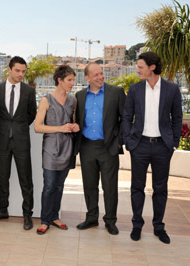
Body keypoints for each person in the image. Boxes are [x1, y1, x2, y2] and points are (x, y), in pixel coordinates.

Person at [123, 52, 182, 244]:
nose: (137, 70)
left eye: (140, 67)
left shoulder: (172, 89)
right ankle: (136, 225)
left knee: (160, 188)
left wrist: (173, 143)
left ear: (152, 67)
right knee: (137, 187)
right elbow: (127, 117)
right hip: (139, 145)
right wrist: (129, 141)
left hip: (162, 147)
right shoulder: (134, 89)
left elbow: (177, 118)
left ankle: (159, 226)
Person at [75, 63, 126, 235]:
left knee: (110, 186)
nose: (100, 77)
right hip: (87, 146)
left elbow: (125, 119)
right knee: (89, 185)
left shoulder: (116, 93)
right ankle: (91, 218)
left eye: (101, 73)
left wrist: (119, 140)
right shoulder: (79, 96)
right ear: (87, 78)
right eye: (95, 75)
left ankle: (110, 221)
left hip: (108, 147)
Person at [0, 56, 37, 230]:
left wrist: (18, 128)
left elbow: (31, 114)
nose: (21, 74)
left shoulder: (28, 91)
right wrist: (6, 128)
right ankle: (2, 209)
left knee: (26, 180)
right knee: (2, 178)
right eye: (17, 70)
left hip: (22, 141)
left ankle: (27, 215)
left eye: (23, 71)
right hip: (2, 140)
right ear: (9, 69)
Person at [34, 65, 79, 234]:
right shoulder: (46, 100)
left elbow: (74, 121)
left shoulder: (73, 100)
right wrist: (60, 128)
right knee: (49, 186)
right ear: (59, 80)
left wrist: (75, 126)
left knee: (60, 186)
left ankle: (55, 216)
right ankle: (44, 220)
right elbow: (37, 127)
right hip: (51, 149)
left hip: (67, 148)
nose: (72, 83)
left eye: (73, 80)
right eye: (69, 80)